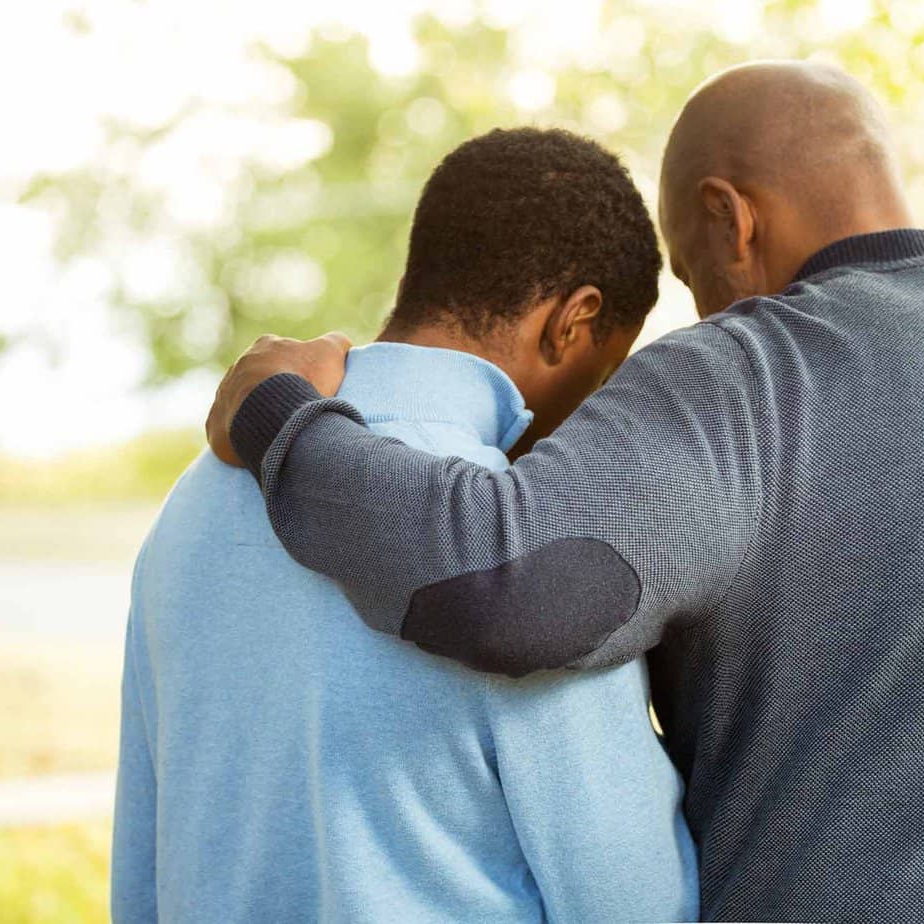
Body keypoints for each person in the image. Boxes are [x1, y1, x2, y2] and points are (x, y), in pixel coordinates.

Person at [206, 62, 924, 923]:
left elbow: (499, 581)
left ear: (730, 220)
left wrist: (282, 421)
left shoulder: (749, 379)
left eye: (688, 273)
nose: (699, 309)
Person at [113, 127, 698, 923]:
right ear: (572, 320)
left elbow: (142, 867)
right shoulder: (521, 547)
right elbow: (632, 903)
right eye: (605, 371)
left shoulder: (194, 500)